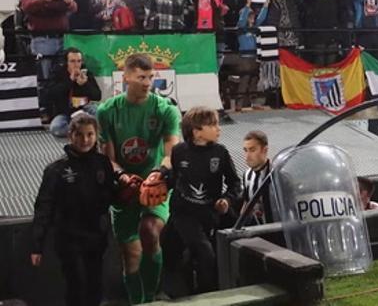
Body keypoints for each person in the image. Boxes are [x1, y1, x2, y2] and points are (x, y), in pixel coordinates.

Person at [97, 53, 181, 304]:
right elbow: (108, 158)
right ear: (126, 77)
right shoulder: (107, 111)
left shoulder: (166, 110)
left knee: (149, 232)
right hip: (123, 187)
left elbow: (171, 153)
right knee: (130, 254)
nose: (147, 82)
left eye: (150, 77)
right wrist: (121, 176)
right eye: (141, 76)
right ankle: (138, 300)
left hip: (154, 185)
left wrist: (159, 173)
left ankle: (151, 297)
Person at [31, 114, 116, 306]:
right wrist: (37, 245)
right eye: (79, 134)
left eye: (90, 134)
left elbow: (111, 194)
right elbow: (44, 207)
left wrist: (130, 190)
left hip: (96, 235)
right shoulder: (56, 170)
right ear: (70, 135)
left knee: (95, 284)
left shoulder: (102, 163)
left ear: (96, 136)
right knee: (76, 284)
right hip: (69, 238)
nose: (85, 140)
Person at [161, 107, 241, 295]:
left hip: (208, 213)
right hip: (184, 212)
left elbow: (235, 183)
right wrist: (160, 180)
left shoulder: (220, 153)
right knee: (203, 253)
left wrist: (226, 200)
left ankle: (202, 291)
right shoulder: (179, 151)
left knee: (202, 254)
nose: (218, 128)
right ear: (196, 131)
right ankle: (201, 296)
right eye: (212, 125)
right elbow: (175, 178)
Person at [20, 0, 76, 83]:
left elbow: (74, 9)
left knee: (63, 77)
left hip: (63, 39)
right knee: (44, 78)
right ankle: (44, 101)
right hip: (42, 40)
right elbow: (26, 6)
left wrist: (70, 2)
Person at [46, 47, 101, 138]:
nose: (76, 65)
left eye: (79, 61)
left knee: (100, 114)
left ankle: (78, 132)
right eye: (72, 61)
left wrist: (85, 84)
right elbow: (51, 94)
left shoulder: (86, 74)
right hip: (65, 112)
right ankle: (84, 131)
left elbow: (97, 96)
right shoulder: (58, 73)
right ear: (66, 62)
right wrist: (70, 80)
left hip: (84, 110)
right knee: (56, 128)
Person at [241, 130, 275, 225]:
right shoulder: (247, 175)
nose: (247, 156)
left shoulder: (277, 175)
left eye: (252, 150)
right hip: (259, 232)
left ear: (265, 150)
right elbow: (246, 204)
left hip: (279, 233)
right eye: (245, 150)